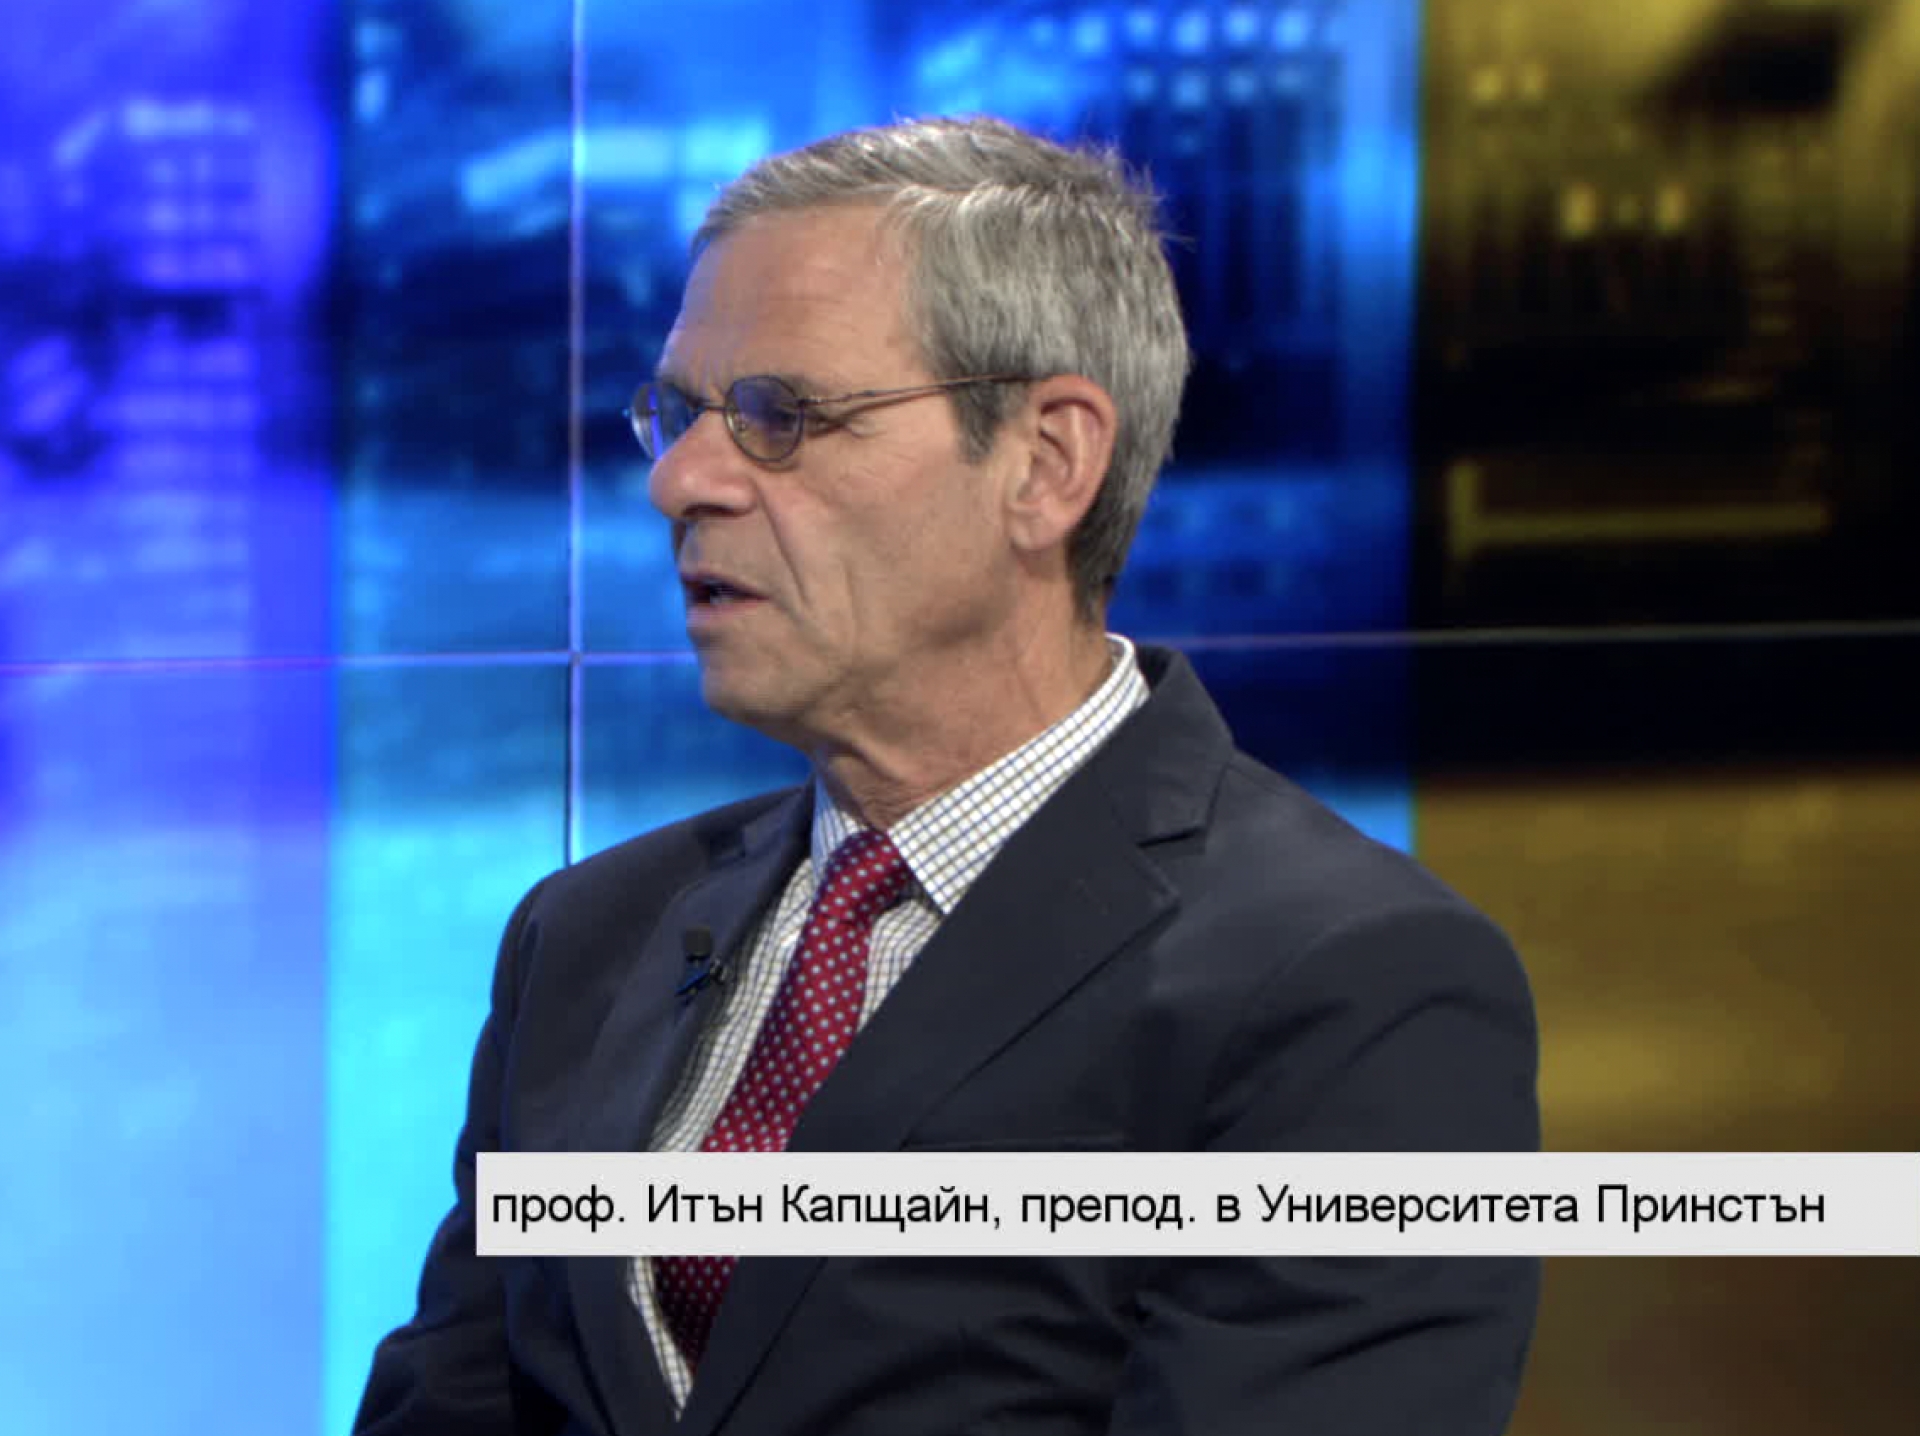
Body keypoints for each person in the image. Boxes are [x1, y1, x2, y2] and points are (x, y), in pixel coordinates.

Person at [355, 115, 1539, 1436]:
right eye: (679, 416)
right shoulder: (586, 936)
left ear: (1046, 463)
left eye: (779, 416)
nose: (681, 481)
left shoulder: (1354, 987)